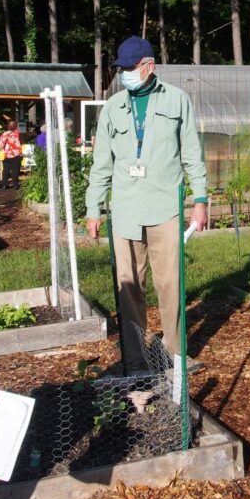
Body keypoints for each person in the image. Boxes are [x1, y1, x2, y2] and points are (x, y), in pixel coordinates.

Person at [86, 36, 208, 375]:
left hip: (165, 208)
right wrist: (93, 208)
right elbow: (101, 165)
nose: (123, 74)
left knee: (170, 285)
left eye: (129, 68)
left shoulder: (177, 101)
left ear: (148, 67)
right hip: (125, 211)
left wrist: (200, 200)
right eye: (121, 69)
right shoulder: (112, 108)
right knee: (129, 288)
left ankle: (175, 356)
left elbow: (192, 155)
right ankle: (137, 359)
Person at [0, 118, 23, 189]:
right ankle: (15, 185)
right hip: (17, 155)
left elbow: (0, 144)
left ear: (8, 126)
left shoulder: (5, 134)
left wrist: (2, 150)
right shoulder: (18, 134)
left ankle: (5, 184)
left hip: (7, 155)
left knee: (6, 170)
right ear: (16, 126)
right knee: (15, 170)